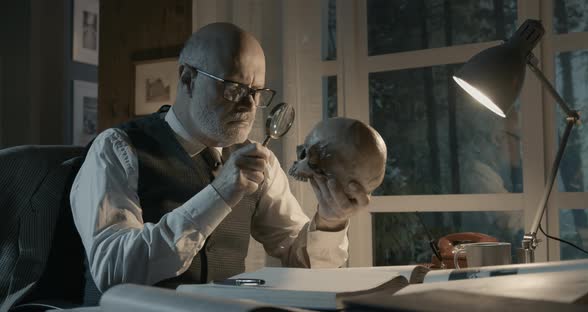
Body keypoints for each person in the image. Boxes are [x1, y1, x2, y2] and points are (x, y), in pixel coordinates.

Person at [70, 22, 370, 294]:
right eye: (234, 88)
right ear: (188, 79)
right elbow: (113, 272)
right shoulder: (116, 148)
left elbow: (301, 261)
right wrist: (221, 192)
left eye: (257, 91)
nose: (249, 105)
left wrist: (330, 222)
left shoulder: (260, 162)